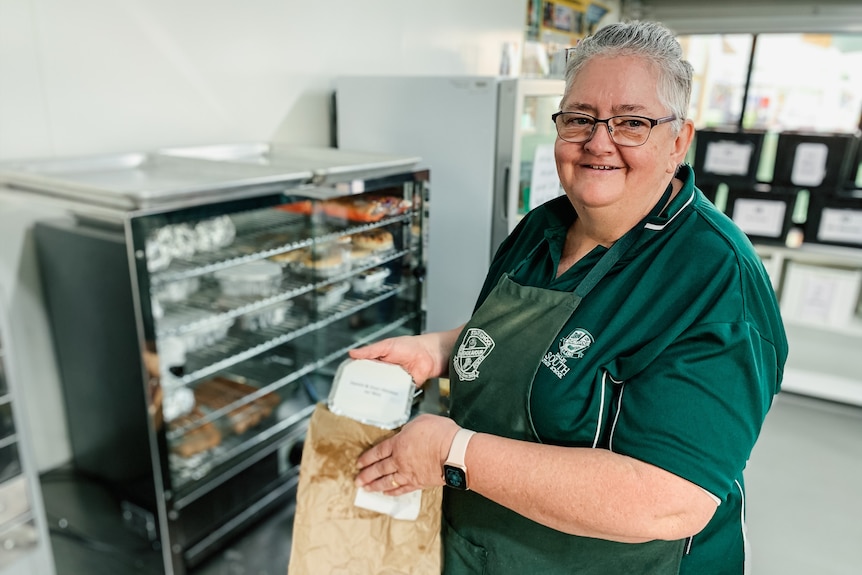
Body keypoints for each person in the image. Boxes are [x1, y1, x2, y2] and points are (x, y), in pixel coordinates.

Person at [352, 20, 788, 575]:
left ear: (679, 140)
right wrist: (438, 350)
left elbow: (667, 501)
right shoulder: (544, 226)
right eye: (579, 119)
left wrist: (452, 452)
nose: (598, 142)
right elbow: (539, 342)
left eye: (632, 123)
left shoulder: (715, 276)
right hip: (482, 549)